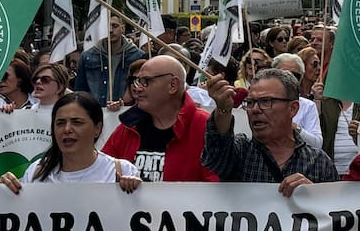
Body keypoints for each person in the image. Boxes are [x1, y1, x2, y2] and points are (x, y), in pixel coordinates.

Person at [0, 93, 140, 193]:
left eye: (77, 122)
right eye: (60, 123)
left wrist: (135, 192)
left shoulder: (122, 171)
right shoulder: (36, 172)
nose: (67, 129)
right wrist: (4, 194)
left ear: (97, 128)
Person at [203, 67, 339, 193]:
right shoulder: (240, 153)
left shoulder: (319, 162)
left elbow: (335, 212)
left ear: (293, 108)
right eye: (250, 103)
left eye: (266, 101)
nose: (255, 109)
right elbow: (216, 151)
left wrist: (315, 196)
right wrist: (223, 108)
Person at [101, 55, 216, 182]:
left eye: (146, 81)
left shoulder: (205, 127)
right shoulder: (128, 127)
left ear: (173, 85)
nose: (138, 88)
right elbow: (102, 173)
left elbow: (216, 187)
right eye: (137, 81)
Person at [75, 16, 146, 104]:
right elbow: (80, 90)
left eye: (115, 26)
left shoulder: (137, 55)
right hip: (97, 111)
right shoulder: (87, 56)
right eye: (106, 27)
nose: (110, 30)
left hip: (126, 110)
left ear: (122, 28)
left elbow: (144, 87)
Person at [272, 53, 324, 143]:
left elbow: (317, 143)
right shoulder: (260, 103)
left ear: (301, 78)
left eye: (295, 75)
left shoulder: (308, 106)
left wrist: (295, 128)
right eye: (283, 74)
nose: (289, 79)